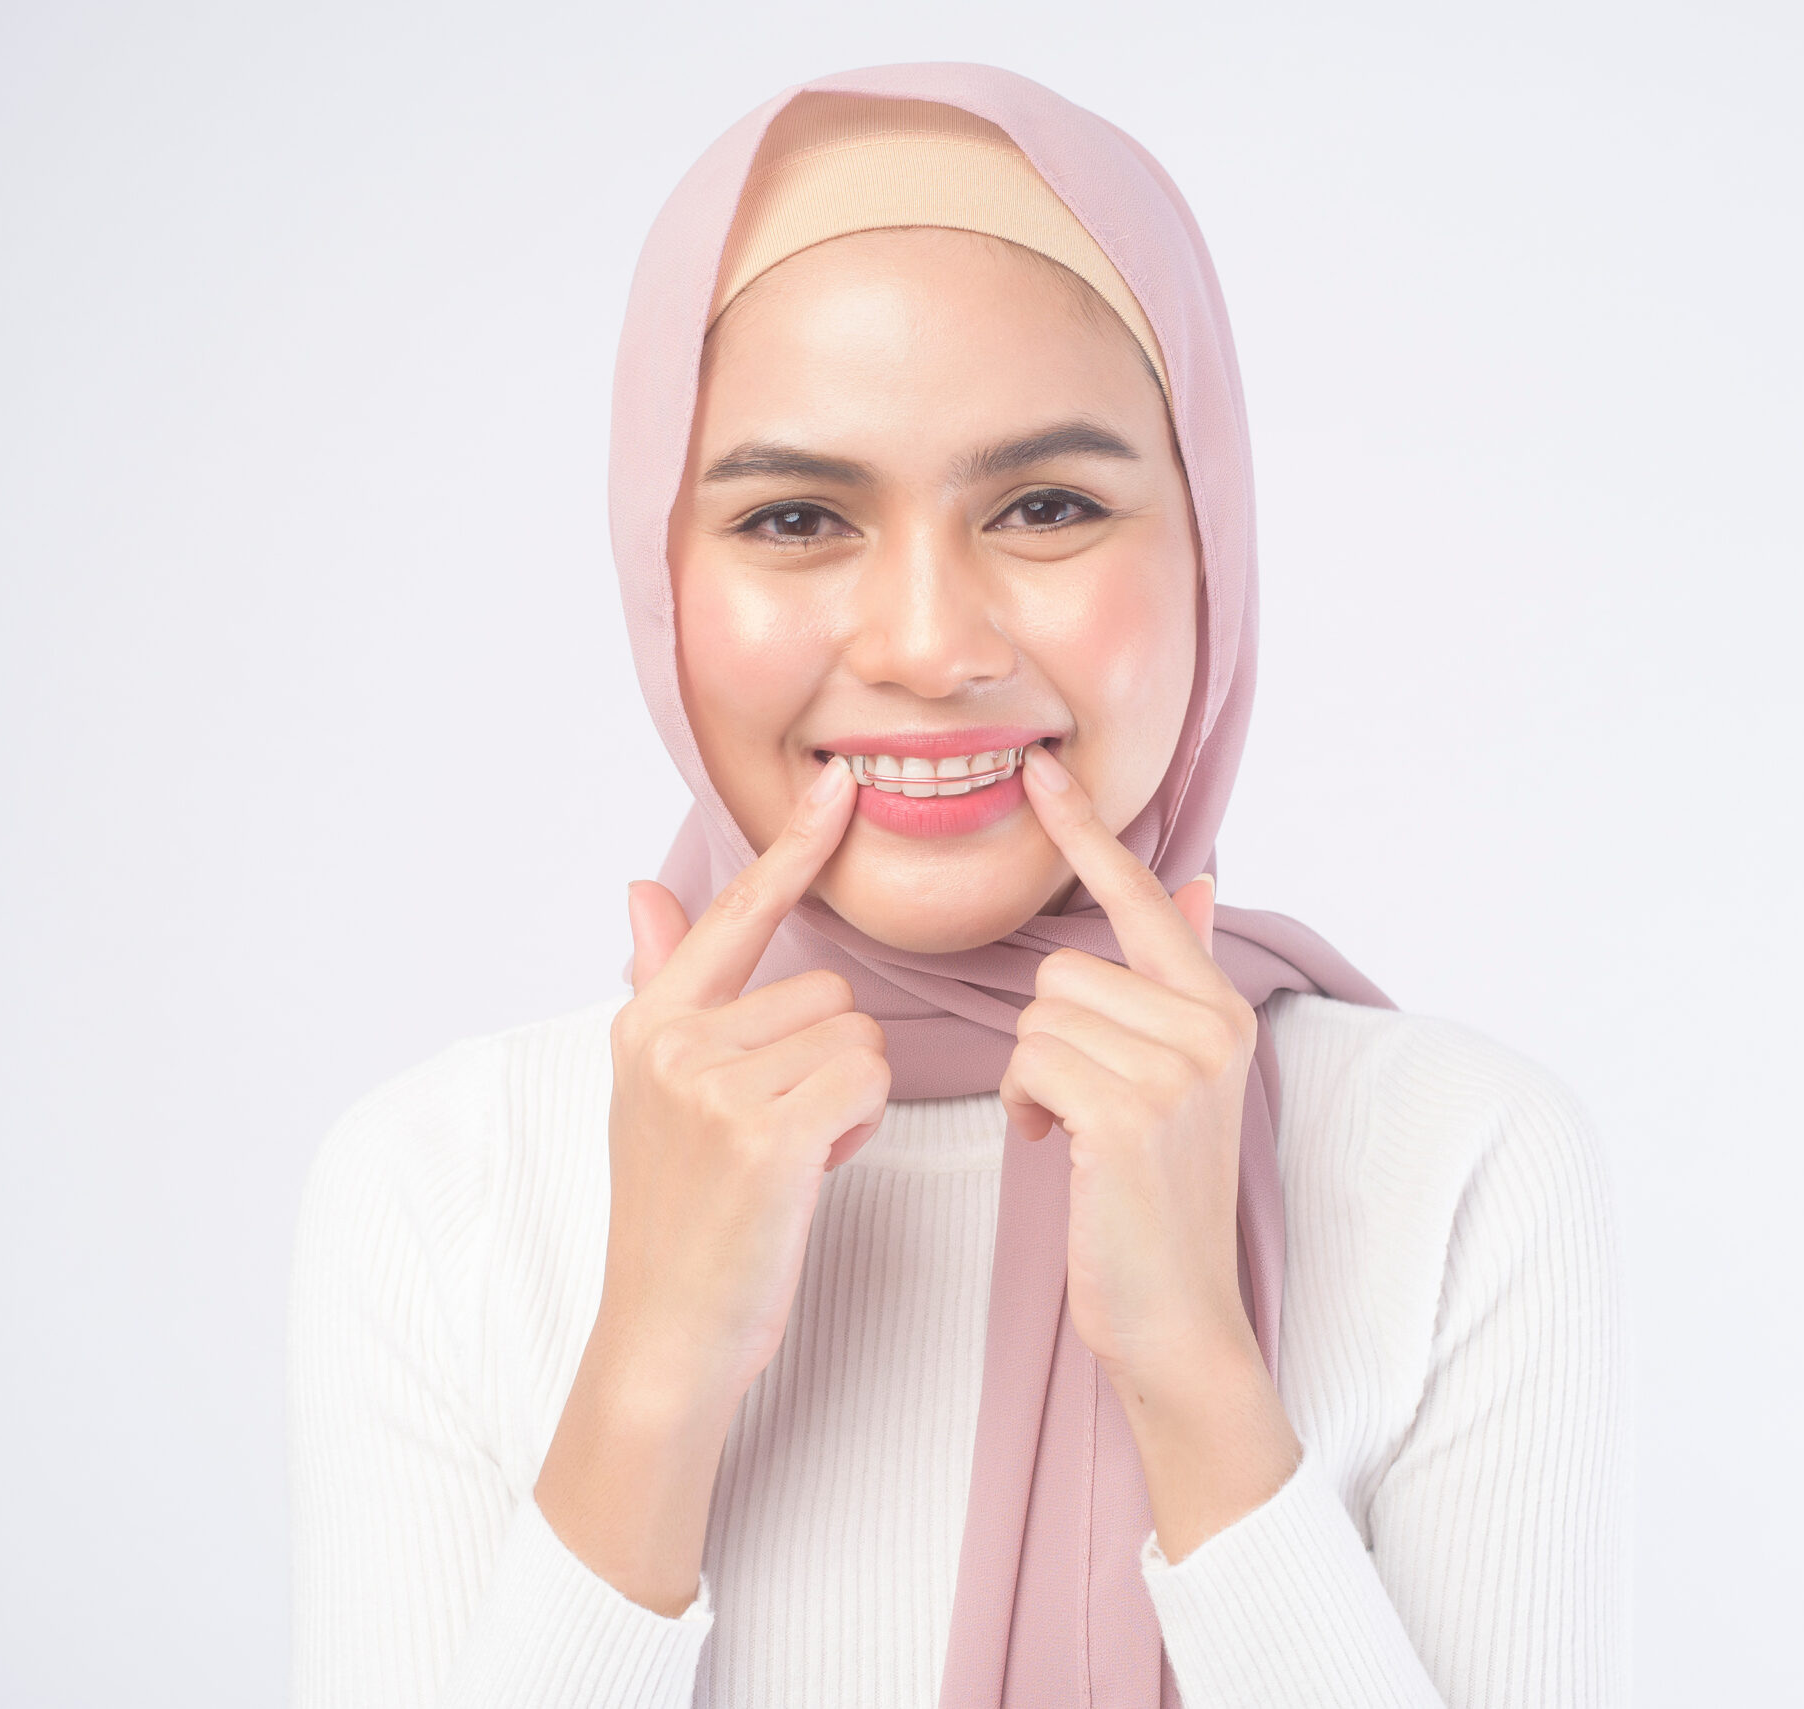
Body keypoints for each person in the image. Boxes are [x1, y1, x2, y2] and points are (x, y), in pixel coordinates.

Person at [290, 64, 1625, 1709]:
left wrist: (1200, 1375)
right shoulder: (446, 1186)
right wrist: (644, 1381)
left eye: (1048, 505)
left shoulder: (1449, 1164)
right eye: (794, 516)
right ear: (661, 573)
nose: (929, 646)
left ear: (1212, 540)